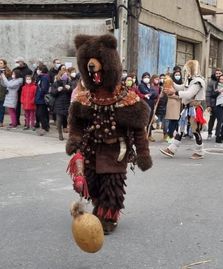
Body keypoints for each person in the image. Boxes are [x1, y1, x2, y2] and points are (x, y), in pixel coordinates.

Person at [67, 34, 152, 234]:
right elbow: (76, 123)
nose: (91, 65)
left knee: (111, 186)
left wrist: (143, 153)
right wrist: (74, 138)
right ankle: (99, 207)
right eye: (87, 61)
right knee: (92, 184)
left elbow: (139, 131)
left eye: (97, 60)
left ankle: (108, 218)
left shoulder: (128, 98)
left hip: (116, 151)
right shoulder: (84, 97)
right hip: (91, 149)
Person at [160, 60, 206, 159]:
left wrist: (174, 93)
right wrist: (171, 82)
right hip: (187, 108)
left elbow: (189, 93)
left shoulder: (198, 81)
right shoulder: (189, 79)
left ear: (192, 69)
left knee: (195, 130)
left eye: (187, 69)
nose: (186, 72)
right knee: (181, 129)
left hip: (195, 108)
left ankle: (200, 151)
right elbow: (181, 87)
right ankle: (171, 149)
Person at [51, 70, 73, 140]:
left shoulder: (69, 83)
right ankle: (60, 134)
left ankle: (71, 135)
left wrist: (70, 89)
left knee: (69, 120)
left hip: (68, 103)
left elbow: (74, 92)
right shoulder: (56, 83)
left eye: (66, 75)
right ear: (60, 76)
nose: (65, 76)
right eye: (63, 75)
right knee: (59, 120)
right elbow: (52, 93)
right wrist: (57, 90)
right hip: (59, 104)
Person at [12, 57, 33, 126]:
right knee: (16, 106)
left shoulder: (28, 70)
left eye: (18, 62)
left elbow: (29, 80)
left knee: (26, 107)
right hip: (16, 91)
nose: (17, 63)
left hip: (26, 91)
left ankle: (27, 122)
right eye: (16, 62)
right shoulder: (14, 69)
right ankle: (16, 121)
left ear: (22, 62)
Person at [138, 72, 158, 142]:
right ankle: (143, 136)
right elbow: (144, 92)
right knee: (144, 121)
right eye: (145, 77)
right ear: (142, 78)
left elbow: (155, 94)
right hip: (145, 105)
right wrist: (151, 92)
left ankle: (149, 135)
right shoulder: (141, 85)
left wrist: (150, 93)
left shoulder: (150, 85)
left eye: (148, 77)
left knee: (150, 121)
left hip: (151, 105)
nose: (147, 78)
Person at [164, 69, 183, 142]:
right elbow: (168, 93)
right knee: (173, 121)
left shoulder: (182, 84)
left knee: (176, 121)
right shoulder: (170, 83)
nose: (177, 76)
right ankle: (169, 136)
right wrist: (179, 96)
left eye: (179, 75)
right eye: (176, 75)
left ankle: (174, 136)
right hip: (173, 104)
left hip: (179, 105)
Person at [206, 68, 222, 140]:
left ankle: (218, 133)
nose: (218, 75)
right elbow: (208, 94)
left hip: (221, 104)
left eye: (219, 73)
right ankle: (209, 133)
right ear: (214, 74)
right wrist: (208, 105)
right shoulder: (211, 82)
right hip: (213, 104)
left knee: (220, 120)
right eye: (217, 73)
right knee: (212, 119)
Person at [35, 65, 50, 133]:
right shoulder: (41, 77)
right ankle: (45, 126)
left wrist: (39, 95)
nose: (37, 71)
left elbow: (43, 89)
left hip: (41, 99)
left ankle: (45, 127)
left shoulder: (45, 78)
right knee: (41, 113)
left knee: (40, 114)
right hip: (39, 98)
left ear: (41, 70)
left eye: (38, 69)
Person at [0, 59, 11, 127]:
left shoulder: (7, 72)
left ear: (4, 64)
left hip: (3, 91)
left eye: (1, 63)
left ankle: (1, 122)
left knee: (1, 108)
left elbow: (9, 83)